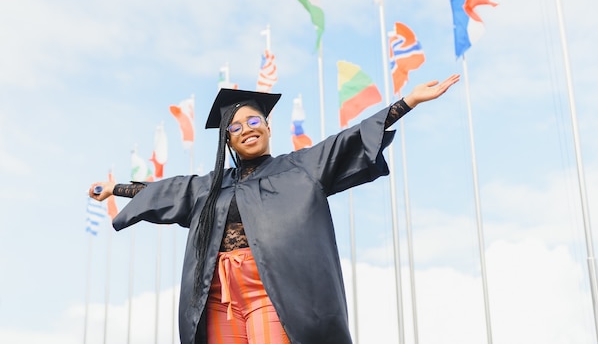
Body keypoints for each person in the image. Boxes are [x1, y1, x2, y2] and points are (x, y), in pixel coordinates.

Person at [89, 74, 460, 344]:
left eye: (253, 121)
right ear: (228, 140)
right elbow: (165, 191)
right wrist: (114, 189)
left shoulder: (301, 167)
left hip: (271, 289)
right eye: (235, 127)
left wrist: (407, 102)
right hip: (216, 295)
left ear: (267, 126)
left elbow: (349, 139)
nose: (246, 128)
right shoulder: (209, 186)